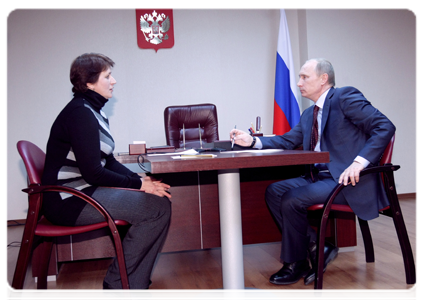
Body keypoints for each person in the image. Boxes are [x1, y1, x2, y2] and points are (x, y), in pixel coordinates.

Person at [230, 58, 395, 286]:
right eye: (299, 77)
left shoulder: (345, 97)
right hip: (319, 178)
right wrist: (252, 142)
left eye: (304, 77)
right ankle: (317, 246)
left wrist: (359, 162)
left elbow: (384, 126)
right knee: (275, 191)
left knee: (291, 198)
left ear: (323, 79)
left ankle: (295, 262)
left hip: (347, 180)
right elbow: (288, 141)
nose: (299, 83)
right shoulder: (309, 114)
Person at [42, 53, 171, 300]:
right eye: (107, 76)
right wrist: (139, 185)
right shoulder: (80, 113)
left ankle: (130, 282)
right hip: (69, 199)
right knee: (156, 207)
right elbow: (94, 172)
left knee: (159, 201)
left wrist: (141, 181)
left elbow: (108, 160)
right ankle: (118, 283)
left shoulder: (93, 112)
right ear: (89, 83)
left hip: (83, 191)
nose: (114, 81)